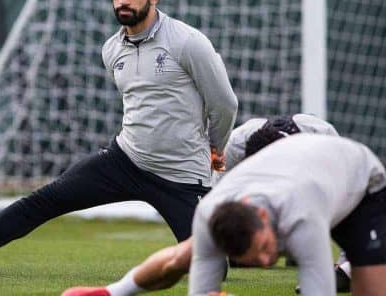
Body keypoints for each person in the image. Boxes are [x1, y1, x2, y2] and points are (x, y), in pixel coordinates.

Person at [0, 0, 238, 276]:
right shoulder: (111, 50)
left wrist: (216, 147)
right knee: (44, 199)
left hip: (181, 176)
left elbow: (224, 103)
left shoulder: (187, 42)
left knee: (212, 268)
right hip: (126, 160)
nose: (123, 0)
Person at [61, 114, 341, 296]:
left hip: (317, 196)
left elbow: (349, 212)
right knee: (185, 255)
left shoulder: (323, 153)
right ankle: (112, 292)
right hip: (258, 198)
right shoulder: (239, 146)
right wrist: (228, 238)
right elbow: (220, 202)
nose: (265, 263)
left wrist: (340, 265)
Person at [191, 134, 386, 295]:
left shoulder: (301, 215)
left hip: (358, 179)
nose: (266, 263)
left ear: (263, 216)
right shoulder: (206, 218)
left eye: (264, 247)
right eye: (252, 261)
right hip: (300, 171)